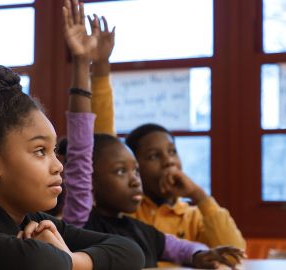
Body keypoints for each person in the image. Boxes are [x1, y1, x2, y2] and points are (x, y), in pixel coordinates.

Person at [0, 5, 144, 270]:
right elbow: (38, 259)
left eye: (54, 151)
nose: (58, 165)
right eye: (40, 151)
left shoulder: (29, 218)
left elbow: (130, 251)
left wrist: (71, 259)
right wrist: (70, 259)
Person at [61, 2, 243, 268]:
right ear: (91, 182)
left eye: (133, 170)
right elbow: (85, 148)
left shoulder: (142, 227)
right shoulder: (81, 221)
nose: (135, 180)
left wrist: (200, 254)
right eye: (122, 171)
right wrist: (86, 64)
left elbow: (191, 249)